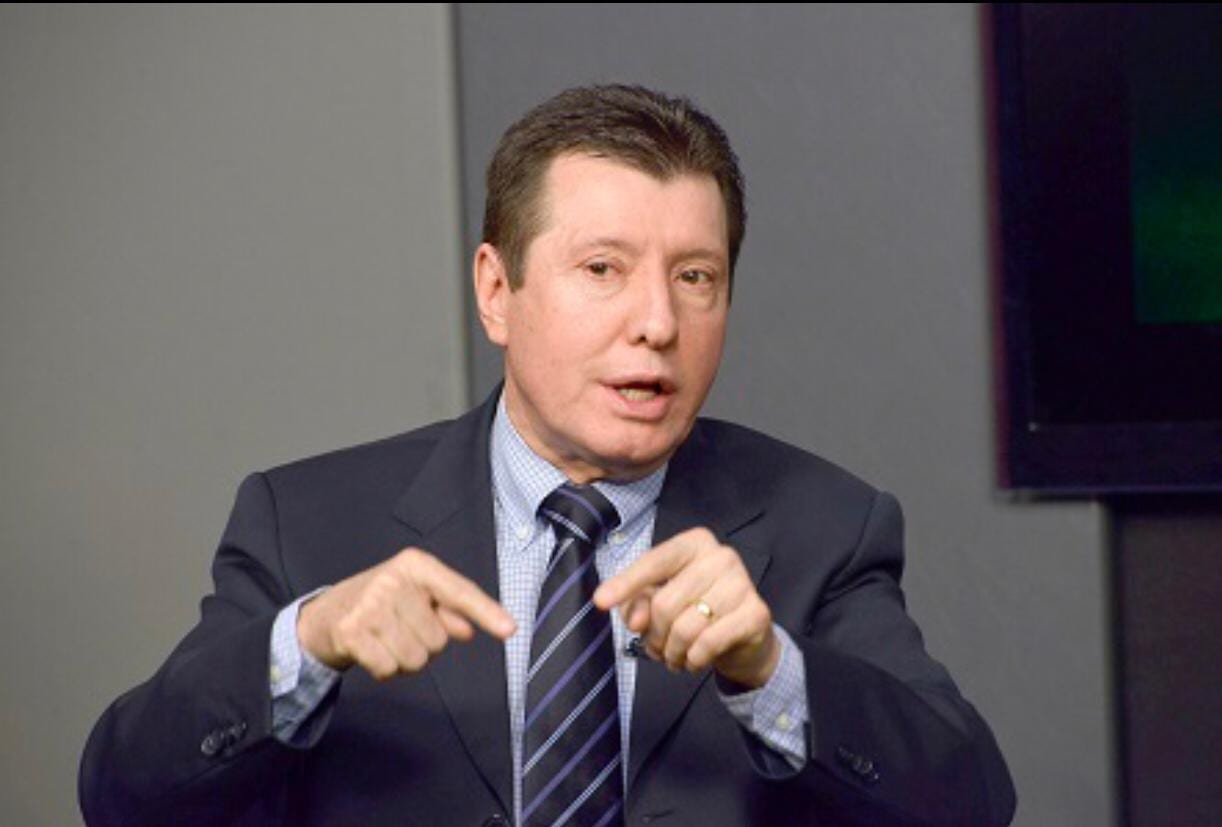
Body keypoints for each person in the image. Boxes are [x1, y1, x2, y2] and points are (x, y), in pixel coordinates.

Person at [80, 84, 1016, 826]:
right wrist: (307, 642)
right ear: (497, 291)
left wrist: (773, 669)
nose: (658, 323)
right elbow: (124, 795)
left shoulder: (824, 526)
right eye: (603, 269)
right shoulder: (309, 523)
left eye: (696, 277)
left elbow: (972, 802)